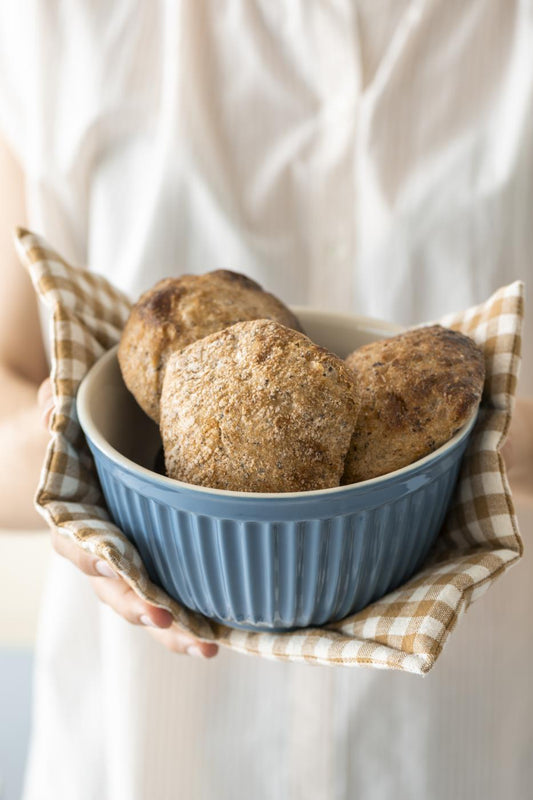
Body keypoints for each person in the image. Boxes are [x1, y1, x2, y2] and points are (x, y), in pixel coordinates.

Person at [1, 2, 532, 798]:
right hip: (146, 751)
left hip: (450, 740)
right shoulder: (59, 24)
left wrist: (491, 444)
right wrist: (72, 488)